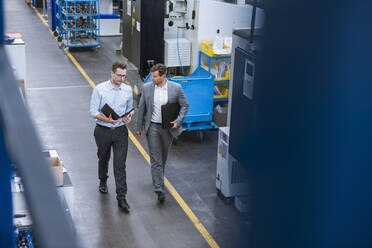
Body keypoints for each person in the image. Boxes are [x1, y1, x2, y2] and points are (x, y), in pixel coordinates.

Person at [136, 63, 188, 203]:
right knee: (155, 159)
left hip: (168, 128)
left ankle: (158, 178)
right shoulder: (147, 88)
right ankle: (158, 188)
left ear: (163, 76)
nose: (152, 79)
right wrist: (139, 127)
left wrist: (178, 121)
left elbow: (184, 105)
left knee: (163, 158)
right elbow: (141, 108)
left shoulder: (176, 88)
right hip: (152, 127)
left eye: (154, 76)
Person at [90, 61, 133, 212]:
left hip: (121, 131)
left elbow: (129, 109)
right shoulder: (99, 89)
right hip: (103, 131)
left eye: (124, 76)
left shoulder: (127, 90)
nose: (122, 78)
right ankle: (103, 180)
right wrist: (107, 120)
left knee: (120, 165)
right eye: (119, 75)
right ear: (112, 73)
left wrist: (129, 117)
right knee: (103, 158)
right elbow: (93, 112)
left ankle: (121, 197)